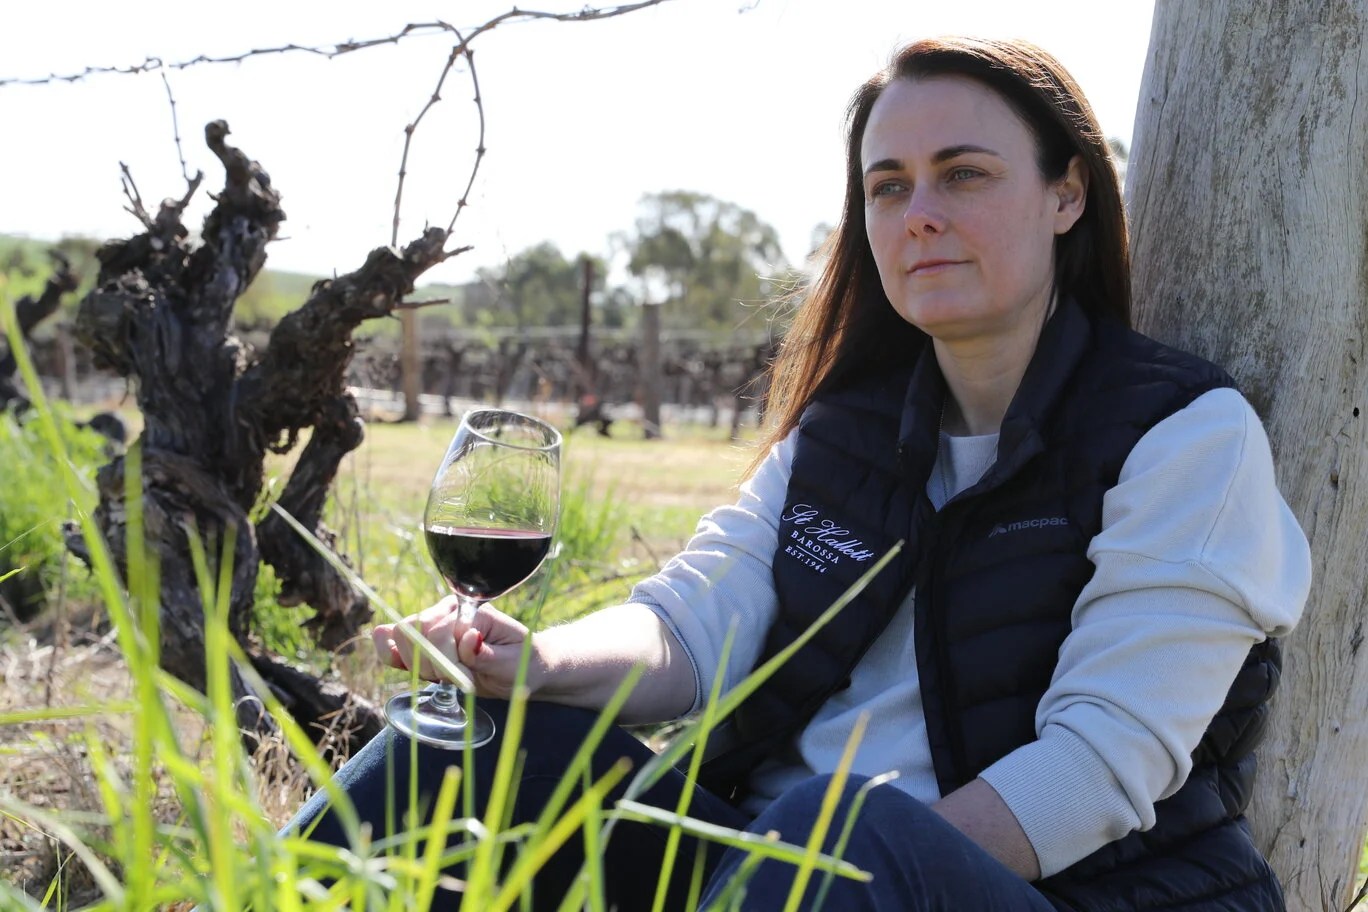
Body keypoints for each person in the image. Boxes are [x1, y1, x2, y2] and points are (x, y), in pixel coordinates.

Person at [287, 36, 1312, 911]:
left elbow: (1096, 771)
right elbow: (697, 619)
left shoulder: (1182, 435)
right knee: (459, 748)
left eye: (965, 174)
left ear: (1066, 194)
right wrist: (540, 665)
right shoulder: (845, 430)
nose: (920, 213)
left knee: (843, 828)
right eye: (888, 186)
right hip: (782, 867)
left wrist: (817, 873)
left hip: (1020, 888)